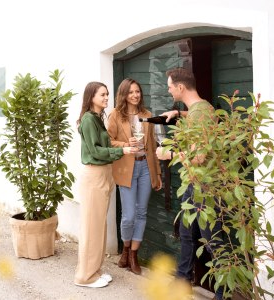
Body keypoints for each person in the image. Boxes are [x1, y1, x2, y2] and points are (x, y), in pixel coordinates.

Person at [156, 68, 224, 300]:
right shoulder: (200, 108)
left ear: (181, 87)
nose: (168, 89)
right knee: (186, 233)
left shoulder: (200, 113)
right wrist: (178, 113)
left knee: (212, 240)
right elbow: (197, 116)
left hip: (203, 185)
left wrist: (167, 153)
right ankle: (182, 280)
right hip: (194, 183)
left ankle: (223, 293)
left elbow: (198, 157)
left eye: (170, 86)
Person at [74, 81, 137, 288]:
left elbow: (106, 144)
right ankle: (85, 277)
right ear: (91, 96)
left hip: (103, 174)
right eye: (102, 95)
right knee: (92, 228)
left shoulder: (97, 118)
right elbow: (95, 152)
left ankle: (95, 269)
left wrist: (126, 145)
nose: (106, 98)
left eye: (107, 95)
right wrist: (123, 152)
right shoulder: (88, 120)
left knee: (99, 225)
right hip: (94, 175)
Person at [107, 78, 162, 275]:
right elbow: (108, 142)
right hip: (126, 169)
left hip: (145, 168)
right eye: (130, 92)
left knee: (141, 213)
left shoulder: (147, 115)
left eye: (137, 91)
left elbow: (153, 146)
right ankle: (125, 249)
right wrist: (125, 145)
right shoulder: (115, 115)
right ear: (124, 94)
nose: (135, 95)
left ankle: (133, 255)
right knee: (129, 215)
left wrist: (157, 174)